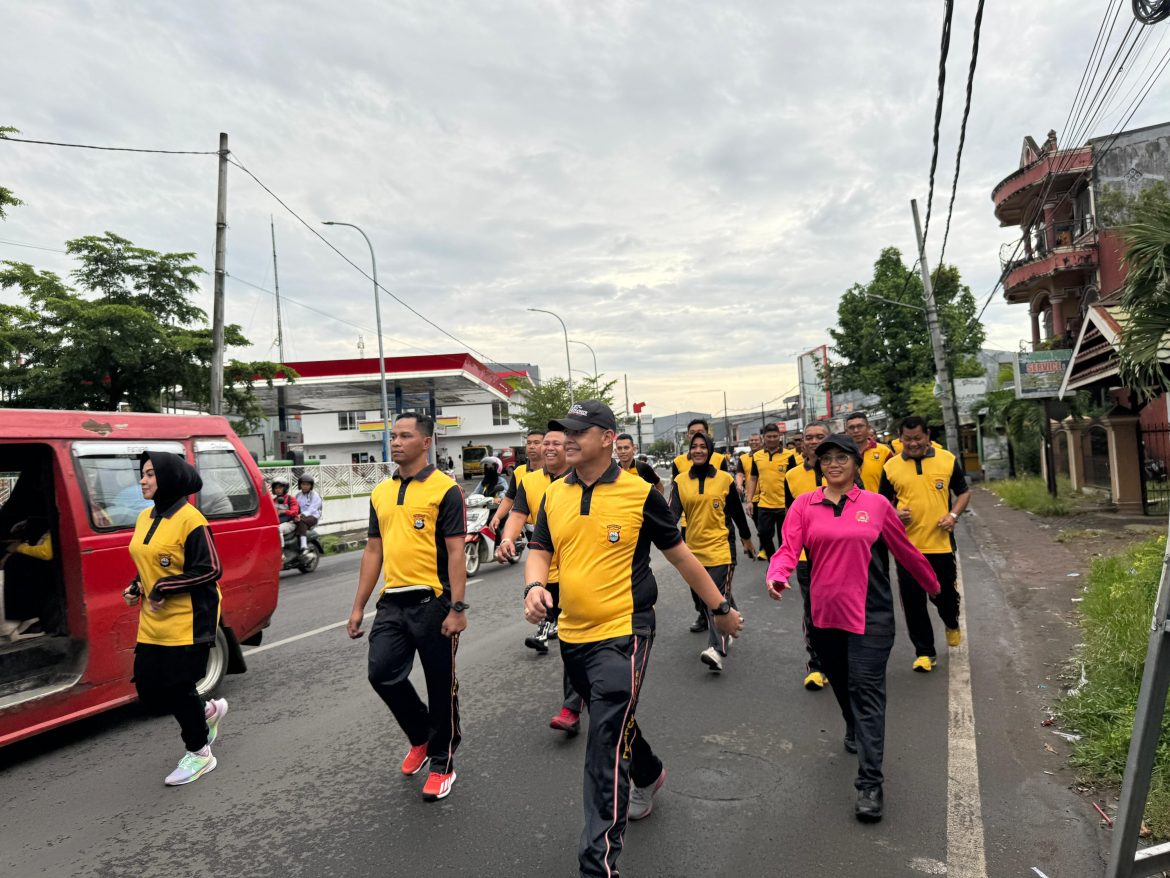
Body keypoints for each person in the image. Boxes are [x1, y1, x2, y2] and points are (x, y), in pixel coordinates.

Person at [523, 401, 743, 878]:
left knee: (603, 743)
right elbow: (540, 548)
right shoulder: (554, 496)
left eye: (579, 431)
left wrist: (720, 609)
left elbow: (681, 556)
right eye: (565, 432)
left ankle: (598, 864)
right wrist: (534, 585)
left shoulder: (640, 494)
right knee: (613, 720)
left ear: (607, 438)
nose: (568, 440)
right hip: (573, 633)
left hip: (627, 630)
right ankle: (649, 771)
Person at [765, 434, 939, 822]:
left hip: (871, 616)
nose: (834, 464)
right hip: (825, 615)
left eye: (842, 457)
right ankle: (851, 723)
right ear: (819, 465)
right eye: (826, 458)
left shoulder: (877, 506)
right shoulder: (804, 506)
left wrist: (935, 589)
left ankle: (870, 784)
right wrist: (777, 575)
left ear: (856, 462)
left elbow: (906, 551)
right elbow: (788, 548)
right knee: (842, 685)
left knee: (867, 692)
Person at [347, 414, 467, 801]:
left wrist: (458, 607)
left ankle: (441, 761)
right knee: (381, 674)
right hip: (392, 605)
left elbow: (455, 552)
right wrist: (358, 607)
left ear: (426, 441)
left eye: (405, 436)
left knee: (440, 687)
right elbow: (373, 550)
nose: (396, 442)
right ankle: (420, 736)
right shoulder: (381, 493)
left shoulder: (445, 490)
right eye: (392, 436)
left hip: (434, 603)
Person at [123, 451, 228, 786]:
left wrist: (165, 586)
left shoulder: (191, 519)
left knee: (179, 686)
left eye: (150, 474)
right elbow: (149, 561)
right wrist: (137, 586)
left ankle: (200, 754)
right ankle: (206, 714)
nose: (143, 479)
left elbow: (211, 569)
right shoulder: (145, 518)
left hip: (191, 617)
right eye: (142, 473)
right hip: (153, 619)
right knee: (149, 689)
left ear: (169, 477)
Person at [498, 430, 585, 732]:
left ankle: (572, 706)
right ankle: (577, 702)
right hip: (545, 573)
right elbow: (518, 514)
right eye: (544, 443)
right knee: (569, 643)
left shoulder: (582, 477)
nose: (547, 448)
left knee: (574, 642)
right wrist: (507, 538)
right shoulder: (530, 481)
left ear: (568, 447)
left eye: (554, 443)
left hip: (580, 573)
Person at [879, 416, 972, 672]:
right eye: (907, 439)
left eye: (918, 438)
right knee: (913, 602)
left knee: (946, 597)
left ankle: (951, 623)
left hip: (940, 545)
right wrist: (895, 514)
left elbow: (964, 492)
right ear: (899, 439)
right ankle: (924, 652)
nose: (913, 444)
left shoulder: (947, 460)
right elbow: (881, 503)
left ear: (927, 435)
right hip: (907, 548)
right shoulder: (891, 467)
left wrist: (953, 515)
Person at [669, 431, 754, 673]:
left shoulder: (725, 479)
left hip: (721, 550)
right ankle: (732, 617)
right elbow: (671, 515)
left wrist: (747, 540)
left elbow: (737, 514)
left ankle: (716, 649)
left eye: (702, 447)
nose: (698, 450)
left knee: (713, 600)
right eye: (694, 446)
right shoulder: (680, 481)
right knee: (712, 597)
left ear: (710, 450)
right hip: (692, 553)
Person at [783, 421, 830, 691]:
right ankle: (816, 665)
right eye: (809, 437)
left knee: (842, 609)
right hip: (806, 556)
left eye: (819, 437)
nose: (813, 441)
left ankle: (846, 660)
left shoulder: (843, 470)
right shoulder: (792, 476)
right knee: (812, 610)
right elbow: (792, 521)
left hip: (839, 555)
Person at [671, 418, 729, 633]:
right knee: (697, 583)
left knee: (715, 584)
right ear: (687, 438)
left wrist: (736, 536)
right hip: (689, 528)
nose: (698, 449)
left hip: (716, 532)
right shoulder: (678, 464)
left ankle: (718, 629)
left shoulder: (720, 463)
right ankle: (714, 610)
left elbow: (726, 504)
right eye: (693, 438)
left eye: (702, 439)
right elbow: (675, 504)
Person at [745, 423, 797, 561]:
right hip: (764, 504)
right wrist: (749, 500)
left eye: (775, 436)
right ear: (764, 438)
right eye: (769, 436)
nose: (772, 439)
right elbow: (753, 478)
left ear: (779, 437)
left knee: (784, 539)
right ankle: (773, 560)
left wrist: (794, 503)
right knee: (763, 534)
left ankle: (781, 565)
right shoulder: (757, 456)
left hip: (784, 506)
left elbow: (794, 479)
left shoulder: (789, 456)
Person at [490, 430, 545, 532]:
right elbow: (509, 498)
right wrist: (497, 516)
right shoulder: (519, 471)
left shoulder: (555, 471)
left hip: (552, 527)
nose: (531, 446)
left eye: (536, 443)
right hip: (529, 528)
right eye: (529, 443)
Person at [293, 475, 323, 556]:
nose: (305, 486)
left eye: (307, 485)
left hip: (312, 517)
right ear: (300, 485)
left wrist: (301, 515)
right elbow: (294, 506)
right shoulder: (298, 495)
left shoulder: (314, 495)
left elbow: (312, 509)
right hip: (300, 516)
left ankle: (304, 546)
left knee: (301, 522)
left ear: (311, 486)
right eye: (303, 484)